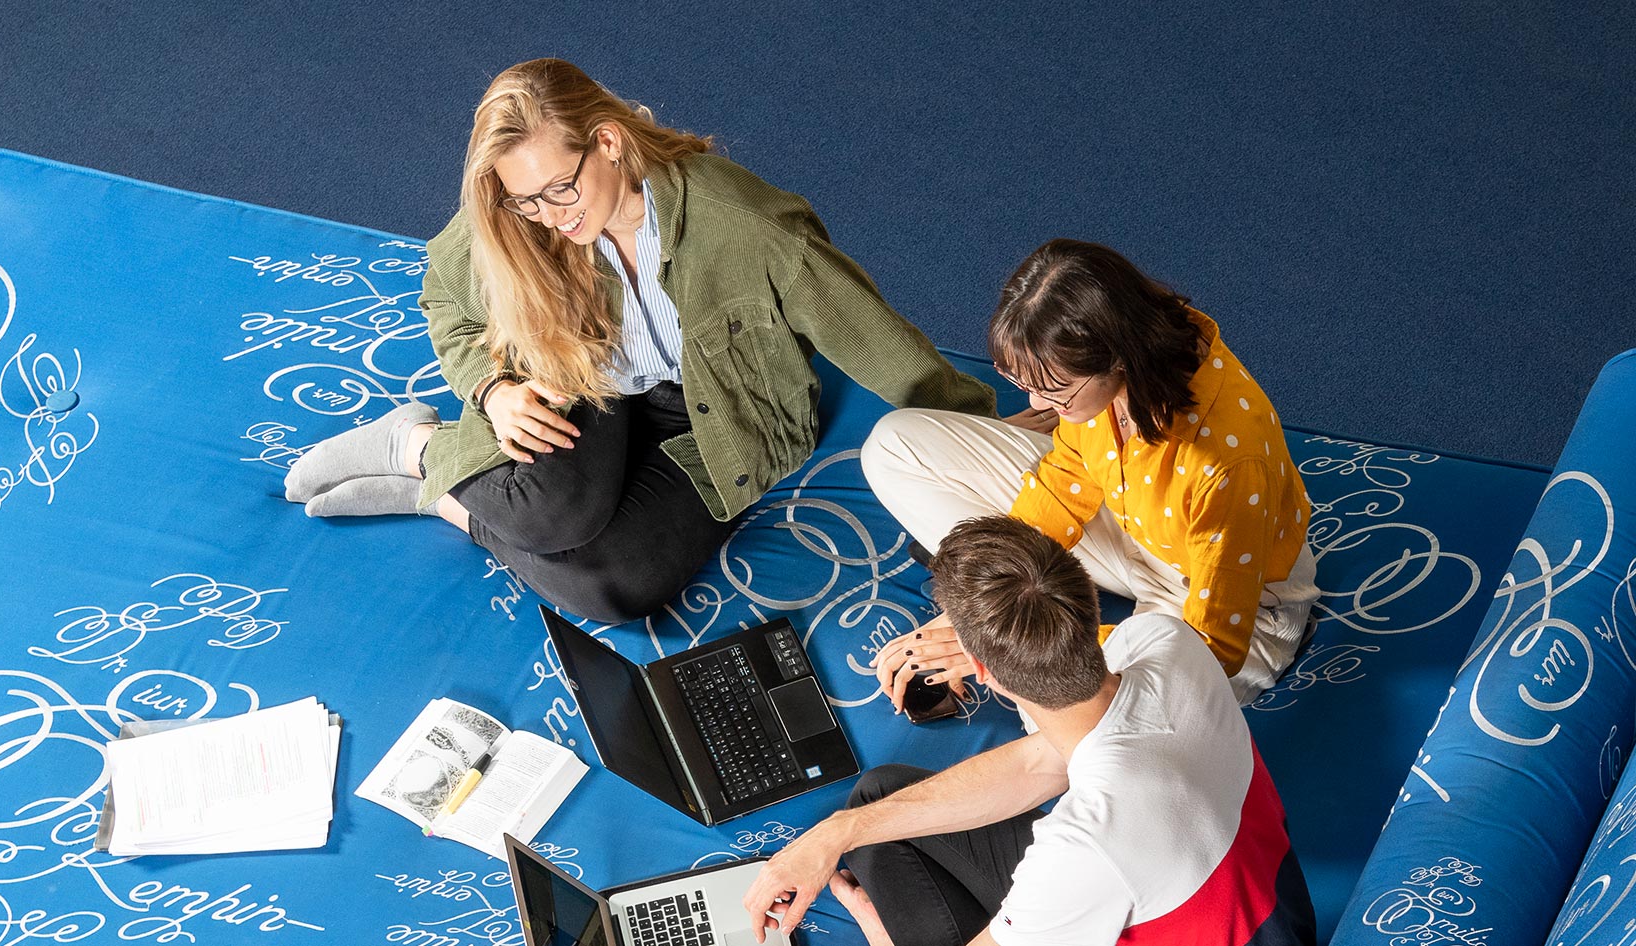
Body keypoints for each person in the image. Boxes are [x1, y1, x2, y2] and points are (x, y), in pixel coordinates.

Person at [281, 58, 997, 622]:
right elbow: (445, 298)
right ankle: (416, 445)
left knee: (618, 589)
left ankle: (438, 495)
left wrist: (985, 471)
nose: (546, 215)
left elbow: (894, 356)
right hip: (585, 379)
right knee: (550, 514)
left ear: (610, 142)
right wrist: (492, 390)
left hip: (716, 416)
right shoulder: (519, 215)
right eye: (524, 199)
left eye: (560, 189)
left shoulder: (752, 234)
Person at [743, 515, 1315, 946]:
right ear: (1089, 599)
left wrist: (881, 932)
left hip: (1166, 904)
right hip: (1272, 918)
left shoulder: (1081, 846)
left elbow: (1064, 797)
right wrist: (835, 833)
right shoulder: (1167, 642)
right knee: (877, 802)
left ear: (980, 670)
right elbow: (1040, 761)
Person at [862, 240, 1318, 704]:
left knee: (1079, 708)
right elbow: (1064, 483)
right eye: (1022, 382)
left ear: (1116, 357)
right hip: (1135, 532)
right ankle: (1037, 610)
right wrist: (983, 604)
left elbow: (1209, 652)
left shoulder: (1224, 463)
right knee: (892, 446)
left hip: (1228, 609)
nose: (1037, 405)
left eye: (1055, 390)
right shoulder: (1103, 377)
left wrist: (1018, 645)